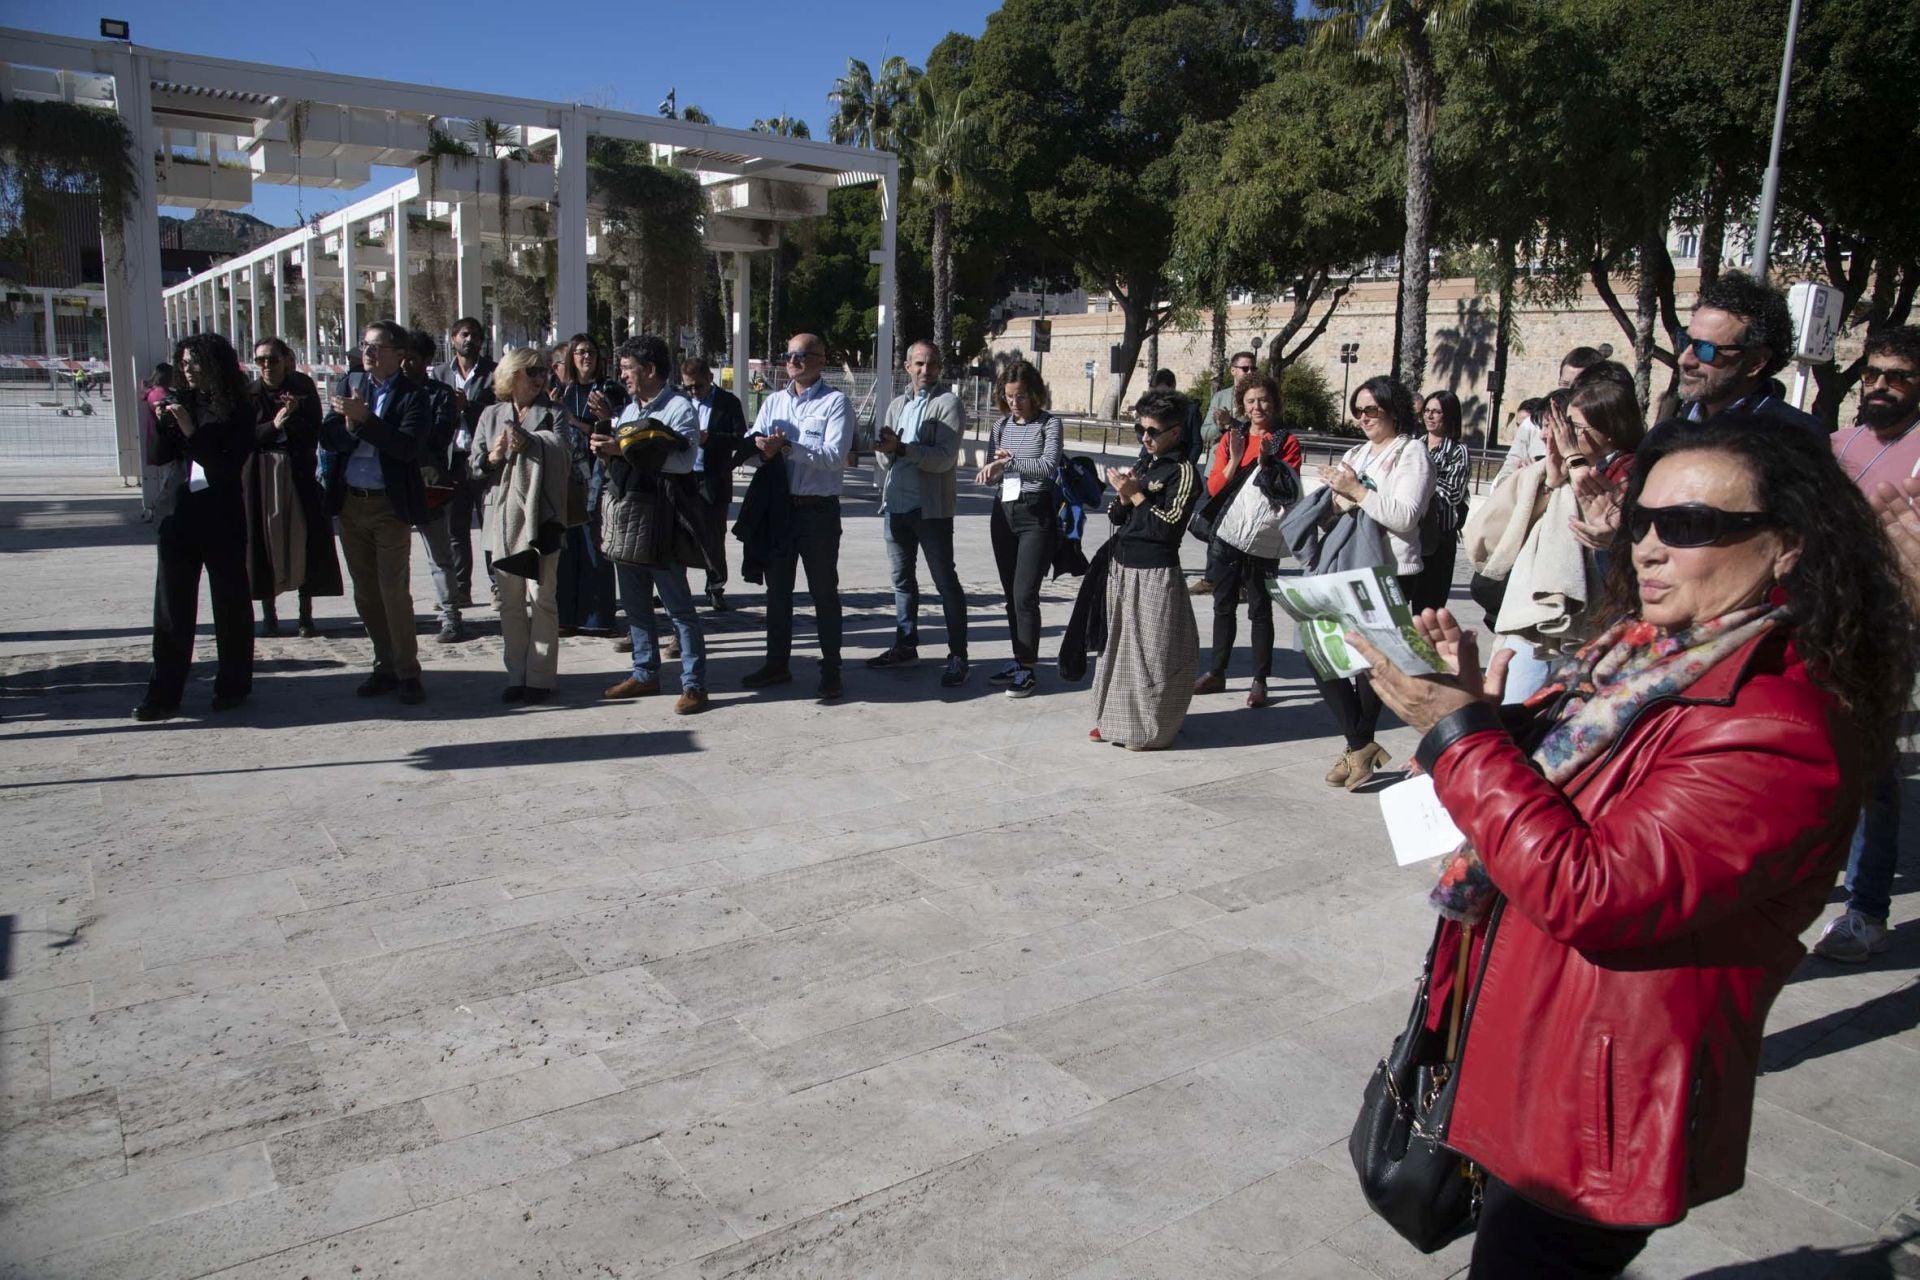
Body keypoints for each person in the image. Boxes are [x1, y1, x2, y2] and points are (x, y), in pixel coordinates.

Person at [1350, 418, 1914, 1277]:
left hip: (1598, 1097)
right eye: (1642, 521)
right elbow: (1572, 790)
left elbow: (1595, 889)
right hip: (1540, 1040)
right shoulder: (1655, 657)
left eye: (1688, 526)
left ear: (1788, 545)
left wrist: (1458, 736)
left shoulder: (1776, 724)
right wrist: (1482, 711)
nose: (1648, 547)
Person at [1816, 325, 1920, 964]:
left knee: (1873, 774)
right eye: (1873, 373)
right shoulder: (1837, 444)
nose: (1880, 386)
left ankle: (1867, 909)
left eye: (1898, 376)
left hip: (1888, 634)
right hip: (1818, 623)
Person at [1315, 375, 1432, 790]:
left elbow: (1404, 516)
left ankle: (1357, 748)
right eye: (1357, 410)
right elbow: (1341, 508)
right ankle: (1360, 743)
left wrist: (1356, 492)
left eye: (1371, 410)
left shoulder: (1411, 452)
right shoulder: (1359, 451)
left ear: (1393, 411)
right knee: (1322, 655)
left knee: (1371, 668)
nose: (1363, 417)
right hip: (1349, 567)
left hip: (1391, 572)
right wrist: (1333, 494)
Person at [135, 332, 257, 721]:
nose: (188, 371)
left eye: (196, 363)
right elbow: (158, 458)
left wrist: (191, 430)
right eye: (184, 364)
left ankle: (233, 684)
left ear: (216, 365)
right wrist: (160, 423)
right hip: (179, 514)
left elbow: (226, 464)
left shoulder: (239, 408)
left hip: (221, 514)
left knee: (231, 604)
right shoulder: (180, 401)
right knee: (172, 608)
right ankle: (164, 692)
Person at [592, 333, 711, 715]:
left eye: (629, 368)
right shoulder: (628, 410)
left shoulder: (679, 408)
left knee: (678, 607)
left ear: (651, 370)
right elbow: (626, 458)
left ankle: (694, 684)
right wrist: (608, 447)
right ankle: (644, 672)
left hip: (663, 520)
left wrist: (623, 450)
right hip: (629, 519)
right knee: (636, 605)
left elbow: (681, 462)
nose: (623, 375)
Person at [321, 319, 434, 705]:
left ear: (399, 356)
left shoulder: (413, 396)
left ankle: (407, 671)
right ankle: (383, 665)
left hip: (389, 506)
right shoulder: (350, 385)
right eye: (365, 345)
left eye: (378, 347)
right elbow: (329, 437)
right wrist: (352, 426)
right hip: (352, 503)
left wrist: (366, 421)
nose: (368, 353)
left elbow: (405, 448)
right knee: (367, 593)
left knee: (393, 591)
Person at [1089, 388, 1202, 751]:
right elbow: (1118, 518)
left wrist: (1137, 495)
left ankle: (1149, 729)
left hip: (1155, 573)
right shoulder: (1144, 465)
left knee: (1151, 655)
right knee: (1118, 650)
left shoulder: (1183, 472)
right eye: (1141, 431)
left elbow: (1167, 528)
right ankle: (1112, 720)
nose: (1146, 438)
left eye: (1153, 431)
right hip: (1123, 567)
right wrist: (1123, 497)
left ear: (1175, 431)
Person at [742, 332, 853, 701]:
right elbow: (752, 447)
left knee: (824, 593)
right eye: (789, 354)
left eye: (803, 355)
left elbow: (834, 457)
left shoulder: (836, 403)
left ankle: (832, 669)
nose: (794, 361)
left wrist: (789, 446)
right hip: (779, 510)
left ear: (822, 360)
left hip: (817, 512)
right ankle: (777, 664)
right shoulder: (773, 401)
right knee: (778, 593)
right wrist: (760, 447)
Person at [1194, 369, 1302, 706]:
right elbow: (1213, 488)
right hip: (1227, 532)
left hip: (1262, 536)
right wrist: (1238, 457)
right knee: (1223, 604)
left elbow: (1287, 493)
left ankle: (1259, 680)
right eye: (1251, 401)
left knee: (1260, 607)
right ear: (1242, 404)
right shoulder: (1232, 438)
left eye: (1264, 400)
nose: (1257, 407)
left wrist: (1269, 461)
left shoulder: (1287, 442)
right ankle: (1216, 672)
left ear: (1275, 403)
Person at [471, 348, 570, 704]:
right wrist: (496, 456)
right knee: (509, 601)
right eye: (532, 371)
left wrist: (533, 444)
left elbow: (565, 454)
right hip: (501, 517)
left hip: (542, 516)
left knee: (542, 597)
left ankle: (541, 678)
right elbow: (474, 466)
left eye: (544, 370)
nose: (541, 377)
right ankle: (516, 675)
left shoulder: (555, 412)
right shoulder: (490, 414)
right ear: (512, 375)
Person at [870, 340, 971, 687]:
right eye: (919, 364)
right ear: (907, 366)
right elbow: (886, 460)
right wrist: (887, 449)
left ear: (940, 367)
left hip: (930, 509)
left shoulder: (948, 404)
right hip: (895, 505)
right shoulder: (898, 405)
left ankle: (958, 655)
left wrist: (904, 449)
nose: (925, 371)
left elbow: (944, 458)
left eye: (931, 364)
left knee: (945, 583)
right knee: (902, 581)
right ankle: (905, 644)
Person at [977, 360, 1063, 699]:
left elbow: (1046, 466)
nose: (1015, 403)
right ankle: (1017, 659)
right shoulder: (1000, 425)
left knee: (1026, 594)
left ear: (1036, 393)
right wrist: (994, 468)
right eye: (1010, 397)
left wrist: (1008, 461)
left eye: (1022, 396)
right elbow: (990, 468)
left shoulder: (1049, 424)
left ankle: (1028, 668)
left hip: (1035, 513)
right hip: (1003, 512)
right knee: (1011, 596)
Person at [1657, 271, 1825, 443]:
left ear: (1756, 362)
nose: (1684, 359)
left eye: (1705, 349)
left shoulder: (1791, 439)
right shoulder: (1667, 434)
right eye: (1685, 341)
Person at [245, 336, 340, 639]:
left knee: (304, 541)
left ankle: (305, 615)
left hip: (297, 474)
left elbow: (316, 430)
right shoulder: (250, 393)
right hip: (261, 478)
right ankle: (269, 615)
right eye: (261, 361)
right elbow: (245, 436)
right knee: (265, 543)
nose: (267, 366)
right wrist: (274, 424)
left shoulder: (302, 388)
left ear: (286, 359)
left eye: (272, 359)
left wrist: (292, 417)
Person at [554, 333, 623, 637]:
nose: (586, 357)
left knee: (597, 545)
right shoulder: (563, 391)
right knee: (568, 550)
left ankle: (599, 618)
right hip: (568, 477)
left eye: (591, 352)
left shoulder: (609, 390)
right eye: (580, 352)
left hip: (599, 475)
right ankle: (567, 615)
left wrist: (578, 422)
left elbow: (618, 429)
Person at [401, 331, 467, 644]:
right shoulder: (388, 390)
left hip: (429, 482)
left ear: (427, 361)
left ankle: (451, 615)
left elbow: (438, 438)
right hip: (392, 483)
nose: (404, 364)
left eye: (412, 358)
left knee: (439, 554)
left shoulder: (440, 394)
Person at [680, 356, 748, 610]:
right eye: (688, 387)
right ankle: (678, 588)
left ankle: (715, 587)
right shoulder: (680, 401)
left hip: (713, 477)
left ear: (710, 378)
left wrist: (710, 439)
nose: (694, 392)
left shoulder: (728, 403)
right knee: (680, 534)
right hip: (683, 476)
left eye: (698, 386)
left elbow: (740, 439)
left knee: (712, 536)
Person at [436, 316, 495, 610]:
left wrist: (468, 406)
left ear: (482, 341)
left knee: (489, 525)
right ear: (452, 339)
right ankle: (461, 589)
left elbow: (497, 411)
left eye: (473, 335)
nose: (468, 340)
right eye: (462, 334)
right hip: (453, 460)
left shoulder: (492, 374)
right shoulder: (440, 374)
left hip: (483, 460)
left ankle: (498, 586)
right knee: (456, 529)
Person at [1404, 389, 1471, 614]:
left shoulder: (1457, 451)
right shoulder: (1414, 445)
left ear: (1450, 416)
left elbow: (1452, 493)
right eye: (1427, 411)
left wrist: (1420, 485)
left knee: (1427, 608)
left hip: (1439, 536)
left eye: (1437, 412)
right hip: (1411, 532)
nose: (1430, 416)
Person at [1204, 350, 1258, 460]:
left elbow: (1260, 433)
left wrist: (1231, 422)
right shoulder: (1220, 397)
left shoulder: (1260, 397)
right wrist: (1219, 427)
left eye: (1253, 369)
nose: (1250, 372)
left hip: (1245, 463)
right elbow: (1204, 434)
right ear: (1233, 370)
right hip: (1217, 463)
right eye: (1245, 369)